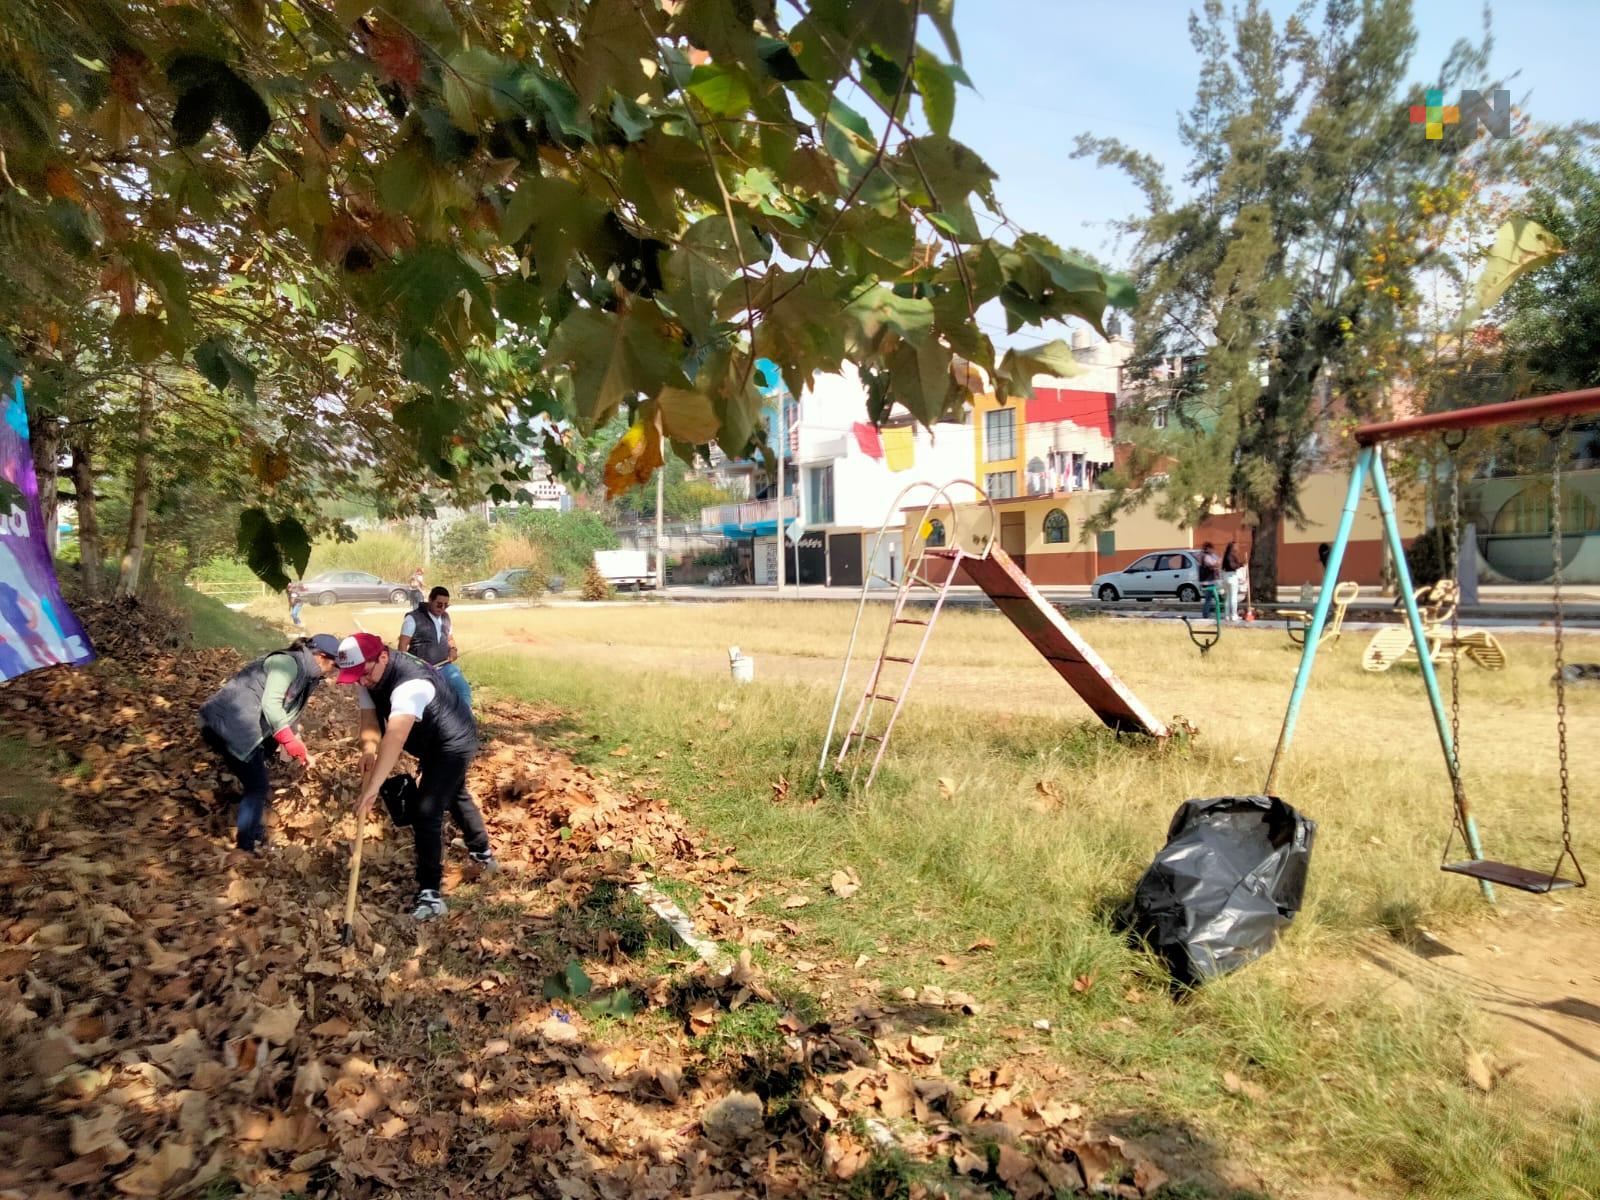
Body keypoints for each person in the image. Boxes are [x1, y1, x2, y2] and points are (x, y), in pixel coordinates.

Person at [336, 633, 497, 921]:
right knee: (455, 795)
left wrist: (372, 789)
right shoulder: (367, 674)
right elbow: (371, 720)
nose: (361, 682)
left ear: (383, 656)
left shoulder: (410, 684)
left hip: (454, 741)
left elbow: (395, 737)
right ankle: (482, 852)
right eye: (354, 677)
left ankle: (431, 894)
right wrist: (368, 748)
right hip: (429, 740)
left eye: (363, 675)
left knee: (427, 810)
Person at [197, 633, 342, 853]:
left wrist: (299, 746)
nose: (334, 671)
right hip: (224, 724)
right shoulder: (287, 664)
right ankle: (246, 847)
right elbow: (272, 705)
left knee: (262, 761)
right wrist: (287, 741)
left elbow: (290, 713)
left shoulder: (308, 676)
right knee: (258, 786)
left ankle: (247, 814)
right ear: (321, 656)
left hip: (242, 726)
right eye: (334, 664)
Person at [398, 586, 471, 710]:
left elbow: (450, 639)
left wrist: (453, 649)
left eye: (446, 605)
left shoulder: (446, 617)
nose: (442, 608)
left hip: (445, 667)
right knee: (430, 700)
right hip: (421, 670)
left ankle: (465, 722)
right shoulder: (413, 618)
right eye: (439, 604)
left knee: (463, 689)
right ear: (430, 600)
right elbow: (402, 646)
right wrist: (409, 667)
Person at [1221, 540, 1245, 622]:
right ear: (1232, 547)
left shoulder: (1226, 555)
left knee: (1228, 598)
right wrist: (1241, 564)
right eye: (1236, 546)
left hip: (1226, 577)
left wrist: (1241, 564)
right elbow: (1233, 566)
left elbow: (1224, 567)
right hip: (1232, 577)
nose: (1237, 548)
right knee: (1233, 597)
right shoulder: (1230, 556)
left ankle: (1227, 616)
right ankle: (1234, 615)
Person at [1197, 541, 1222, 620]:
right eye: (1211, 548)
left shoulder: (1206, 555)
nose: (1212, 550)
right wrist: (1218, 562)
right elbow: (1213, 564)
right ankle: (1206, 615)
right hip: (1207, 581)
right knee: (1208, 599)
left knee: (1211, 598)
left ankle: (1208, 613)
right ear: (1207, 548)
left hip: (1209, 580)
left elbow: (1216, 562)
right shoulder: (1205, 556)